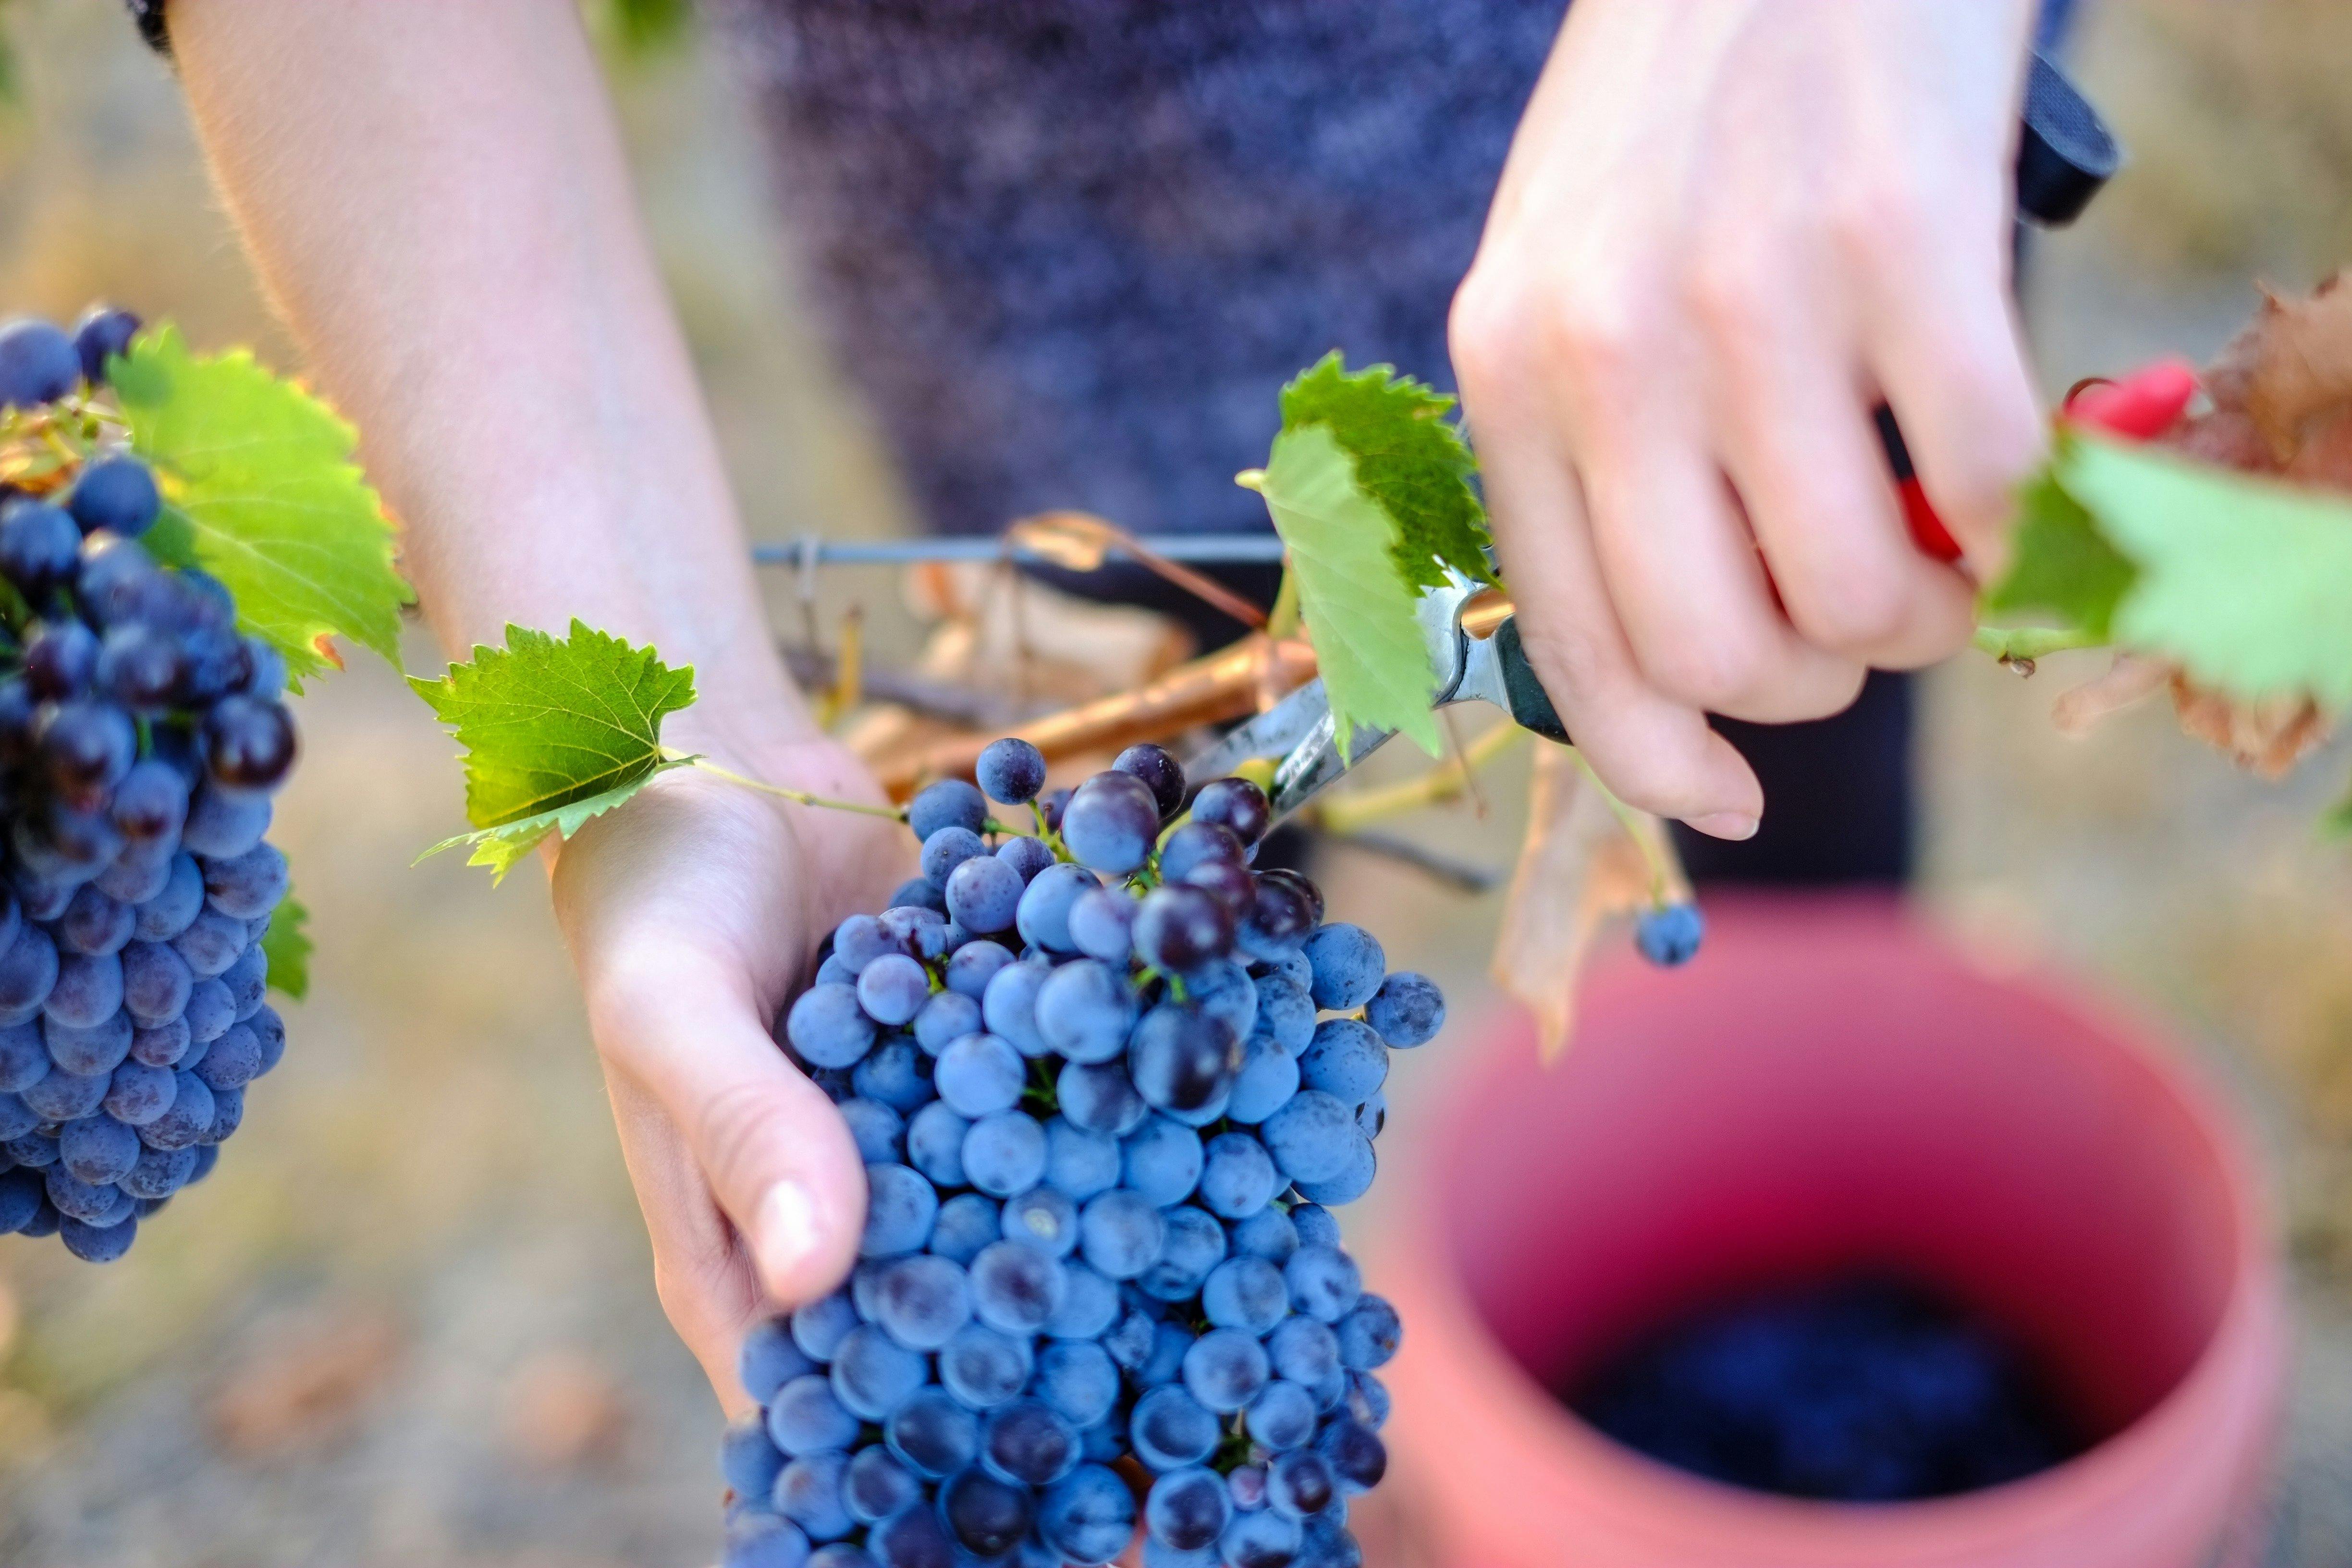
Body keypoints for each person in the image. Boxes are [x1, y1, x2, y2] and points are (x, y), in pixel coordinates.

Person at [149, 0, 2068, 1407]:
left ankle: (1794, 1262)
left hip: (1768, 255)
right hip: (1014, 276)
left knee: (1777, 758)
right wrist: (665, 730)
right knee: (1175, 933)